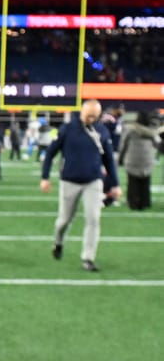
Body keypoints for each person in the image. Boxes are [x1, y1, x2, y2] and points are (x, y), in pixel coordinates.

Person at [40, 99, 121, 272]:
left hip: (93, 181)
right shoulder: (67, 129)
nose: (91, 118)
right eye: (88, 114)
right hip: (69, 180)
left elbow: (109, 161)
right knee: (64, 220)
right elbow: (50, 153)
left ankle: (88, 258)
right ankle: (58, 242)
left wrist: (115, 184)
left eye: (94, 115)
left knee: (93, 219)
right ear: (82, 112)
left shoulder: (102, 131)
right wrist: (45, 177)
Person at [118, 111, 160, 210]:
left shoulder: (130, 129)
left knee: (132, 183)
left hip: (132, 159)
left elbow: (123, 145)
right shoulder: (152, 131)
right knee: (145, 182)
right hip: (147, 160)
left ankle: (133, 203)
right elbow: (157, 144)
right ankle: (145, 202)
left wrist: (120, 159)